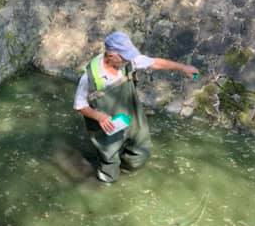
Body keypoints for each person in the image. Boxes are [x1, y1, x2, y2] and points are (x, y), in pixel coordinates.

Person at [74, 31, 198, 183]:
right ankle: (106, 183)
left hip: (131, 115)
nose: (129, 60)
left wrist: (183, 68)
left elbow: (155, 62)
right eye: (125, 57)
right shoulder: (90, 77)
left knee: (140, 153)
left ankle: (126, 169)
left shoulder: (129, 61)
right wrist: (99, 117)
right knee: (109, 163)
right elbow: (80, 106)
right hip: (107, 124)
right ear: (111, 55)